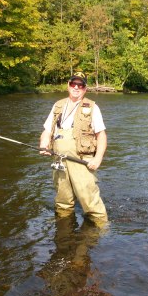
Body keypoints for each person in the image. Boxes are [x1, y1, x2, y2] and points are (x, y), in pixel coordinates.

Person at [39, 71, 108, 224]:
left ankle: (102, 228)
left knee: (89, 200)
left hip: (82, 161)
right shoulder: (58, 105)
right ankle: (64, 227)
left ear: (85, 89)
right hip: (59, 160)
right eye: (73, 84)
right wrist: (44, 144)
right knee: (62, 200)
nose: (76, 87)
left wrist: (97, 159)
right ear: (68, 85)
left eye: (80, 85)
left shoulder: (92, 108)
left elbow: (101, 136)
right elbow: (47, 131)